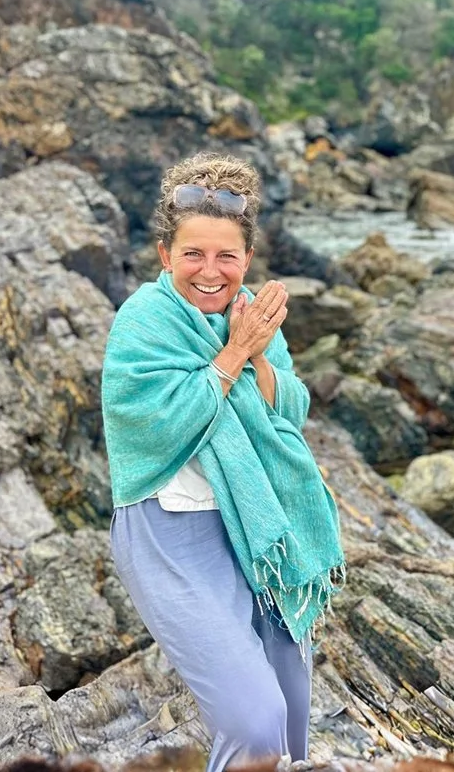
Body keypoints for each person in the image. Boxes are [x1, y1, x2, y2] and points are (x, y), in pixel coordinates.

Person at [101, 153, 346, 772]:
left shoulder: (252, 310)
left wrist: (259, 354)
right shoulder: (144, 323)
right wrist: (237, 352)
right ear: (165, 256)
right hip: (169, 532)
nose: (211, 272)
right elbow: (160, 425)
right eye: (193, 255)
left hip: (258, 528)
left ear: (247, 258)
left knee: (290, 719)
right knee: (254, 722)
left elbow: (289, 406)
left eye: (227, 257)